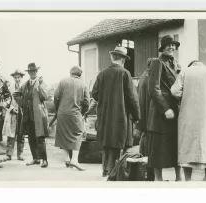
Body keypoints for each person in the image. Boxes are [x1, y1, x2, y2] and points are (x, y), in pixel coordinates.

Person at [171, 60, 206, 181]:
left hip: (188, 114)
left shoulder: (185, 72)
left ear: (191, 65)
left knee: (188, 145)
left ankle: (188, 180)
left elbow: (174, 91)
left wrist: (183, 96)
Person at [92, 46, 140, 177]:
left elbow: (94, 94)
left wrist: (105, 100)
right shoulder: (125, 73)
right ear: (123, 59)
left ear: (112, 57)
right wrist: (137, 115)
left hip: (104, 115)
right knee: (118, 143)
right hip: (121, 115)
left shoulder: (101, 74)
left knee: (107, 142)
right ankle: (113, 172)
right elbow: (133, 98)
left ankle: (105, 170)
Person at [145, 35, 182, 181]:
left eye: (173, 45)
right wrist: (165, 109)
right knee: (158, 147)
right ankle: (158, 180)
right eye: (168, 45)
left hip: (174, 110)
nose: (171, 47)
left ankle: (179, 178)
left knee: (175, 145)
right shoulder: (157, 63)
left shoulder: (176, 64)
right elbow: (154, 89)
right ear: (163, 47)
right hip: (161, 113)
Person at [13, 63, 51, 168]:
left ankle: (44, 160)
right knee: (31, 138)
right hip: (27, 115)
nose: (32, 73)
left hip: (38, 115)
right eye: (30, 72)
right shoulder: (25, 84)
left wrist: (41, 84)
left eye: (34, 71)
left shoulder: (41, 83)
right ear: (28, 73)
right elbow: (15, 94)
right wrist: (22, 103)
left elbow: (45, 96)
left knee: (40, 137)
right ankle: (36, 158)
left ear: (37, 72)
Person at [54, 65, 90, 171]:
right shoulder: (83, 84)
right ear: (80, 75)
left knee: (63, 134)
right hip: (75, 114)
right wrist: (82, 113)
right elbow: (87, 101)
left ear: (71, 73)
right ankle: (74, 159)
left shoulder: (62, 81)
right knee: (79, 133)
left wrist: (58, 109)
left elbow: (56, 97)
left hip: (62, 112)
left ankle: (67, 159)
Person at [135, 58, 155, 181]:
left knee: (144, 145)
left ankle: (147, 174)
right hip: (148, 117)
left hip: (142, 116)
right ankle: (149, 175)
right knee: (148, 147)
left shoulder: (143, 76)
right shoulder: (150, 77)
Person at [0, 69, 25, 162]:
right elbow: (6, 102)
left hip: (22, 114)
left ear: (22, 78)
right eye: (15, 77)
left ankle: (20, 154)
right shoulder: (10, 89)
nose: (17, 79)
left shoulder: (25, 87)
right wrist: (11, 108)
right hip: (12, 114)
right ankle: (9, 154)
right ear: (13, 78)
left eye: (19, 77)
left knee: (21, 134)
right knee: (11, 135)